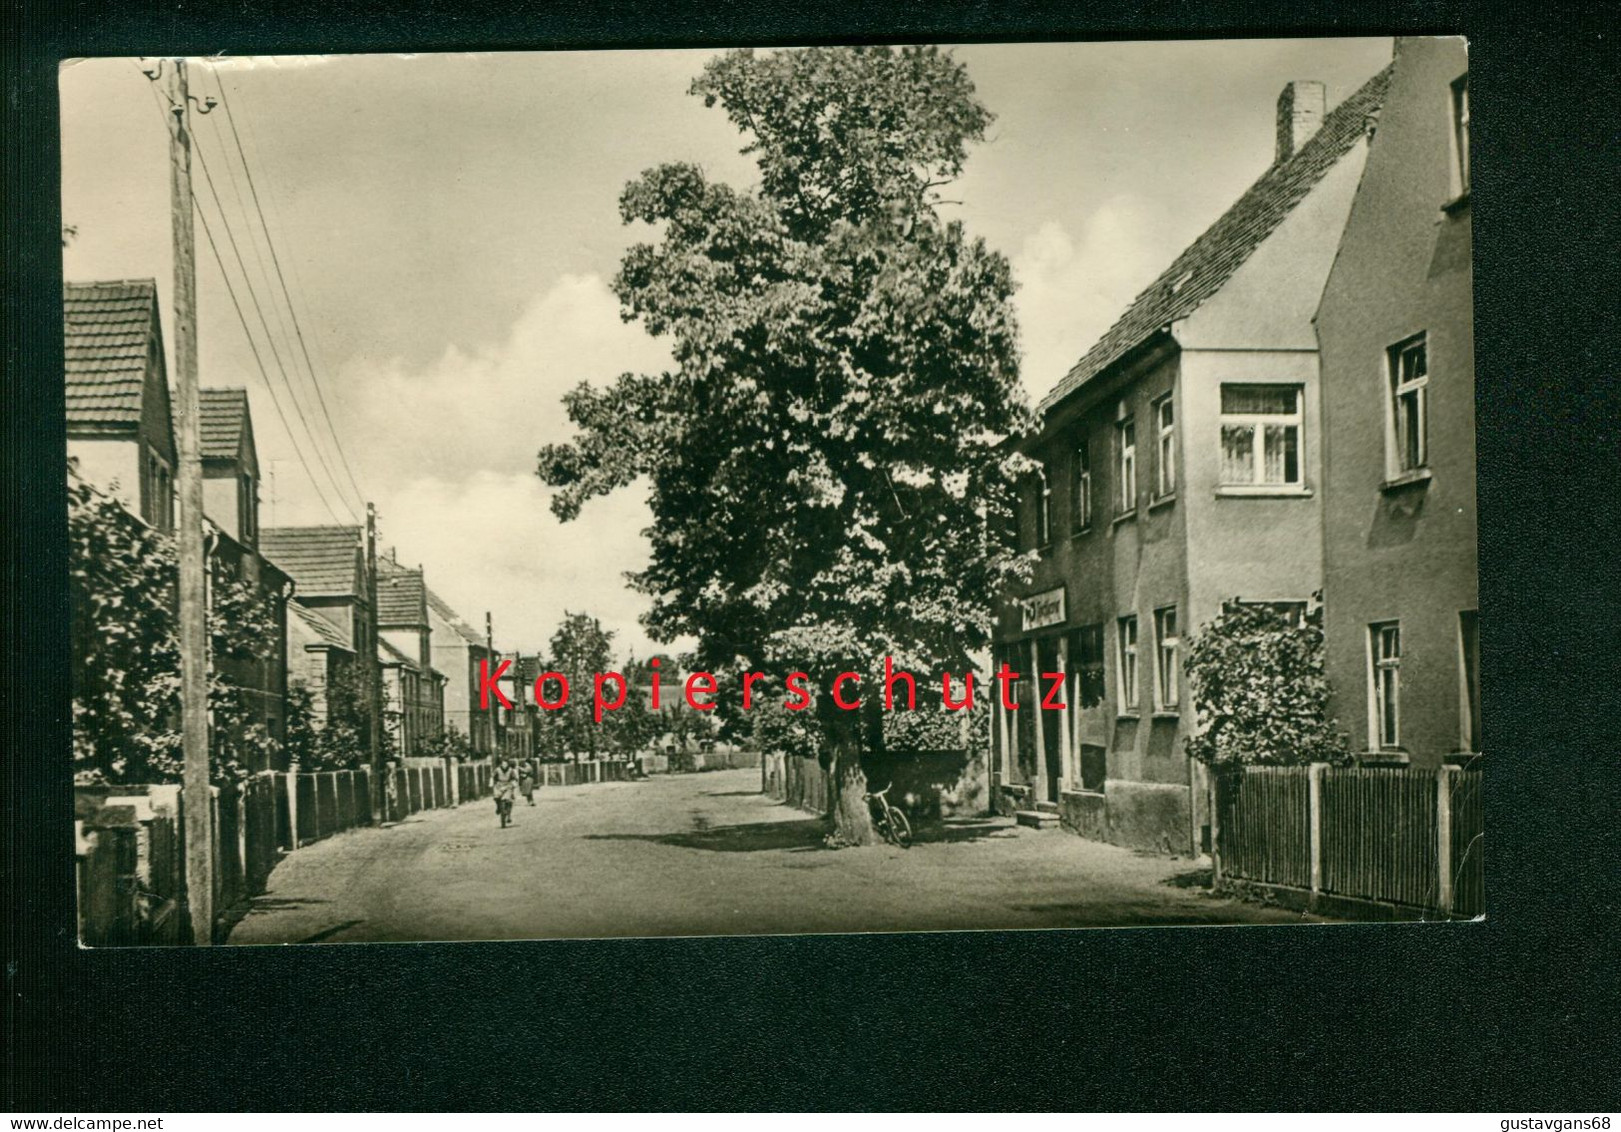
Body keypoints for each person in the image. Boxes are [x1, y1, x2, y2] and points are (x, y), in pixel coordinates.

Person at [492, 757, 518, 828]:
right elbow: (493, 777)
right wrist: (492, 783)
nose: (504, 765)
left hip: (508, 786)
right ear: (501, 764)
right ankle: (498, 807)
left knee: (508, 800)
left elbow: (514, 778)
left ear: (508, 764)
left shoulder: (511, 770)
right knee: (496, 797)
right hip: (499, 786)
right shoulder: (497, 770)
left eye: (506, 764)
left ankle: (508, 815)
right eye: (503, 763)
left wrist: (514, 783)